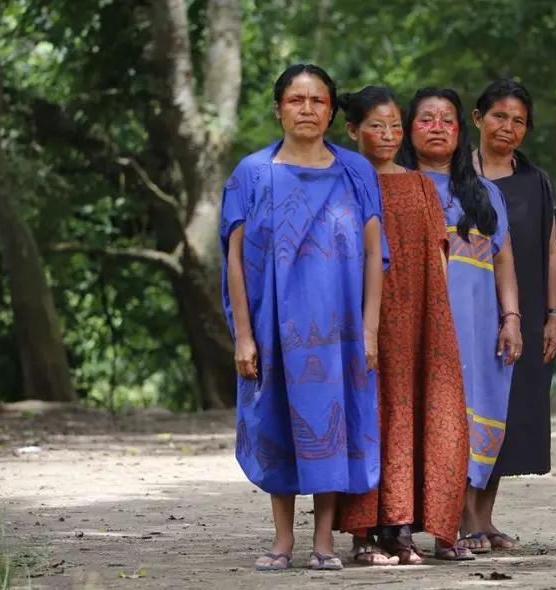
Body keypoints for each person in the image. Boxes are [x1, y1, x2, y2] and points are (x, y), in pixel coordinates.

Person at [219, 64, 389, 572]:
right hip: (273, 328)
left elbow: (376, 253)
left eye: (318, 101)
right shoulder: (252, 173)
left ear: (333, 112)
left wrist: (371, 328)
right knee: (275, 422)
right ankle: (281, 540)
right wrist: (244, 335)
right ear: (279, 109)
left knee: (333, 427)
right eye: (297, 99)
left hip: (339, 335)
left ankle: (323, 543)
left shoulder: (356, 171)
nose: (308, 109)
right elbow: (233, 260)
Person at [335, 86, 475, 564]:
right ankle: (364, 536)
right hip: (363, 318)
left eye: (396, 126)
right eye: (377, 126)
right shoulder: (342, 183)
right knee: (372, 417)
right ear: (352, 130)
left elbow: (440, 259)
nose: (389, 135)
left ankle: (409, 530)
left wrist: (439, 330)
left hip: (422, 320)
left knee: (427, 416)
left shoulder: (418, 185)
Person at [396, 87, 522, 554]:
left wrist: (512, 318)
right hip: (419, 326)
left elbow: (504, 261)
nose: (437, 127)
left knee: (478, 412)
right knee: (418, 416)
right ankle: (407, 522)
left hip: (479, 323)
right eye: (426, 118)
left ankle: (467, 520)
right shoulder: (398, 185)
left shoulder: (485, 192)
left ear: (460, 130)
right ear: (409, 130)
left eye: (447, 120)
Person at [470, 78, 556, 550]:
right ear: (477, 119)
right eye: (498, 116)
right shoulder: (451, 175)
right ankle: (456, 518)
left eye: (518, 121)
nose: (507, 127)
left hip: (524, 312)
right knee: (463, 411)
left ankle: (483, 518)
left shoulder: (537, 182)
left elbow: (551, 252)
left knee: (507, 413)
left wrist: (551, 314)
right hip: (465, 310)